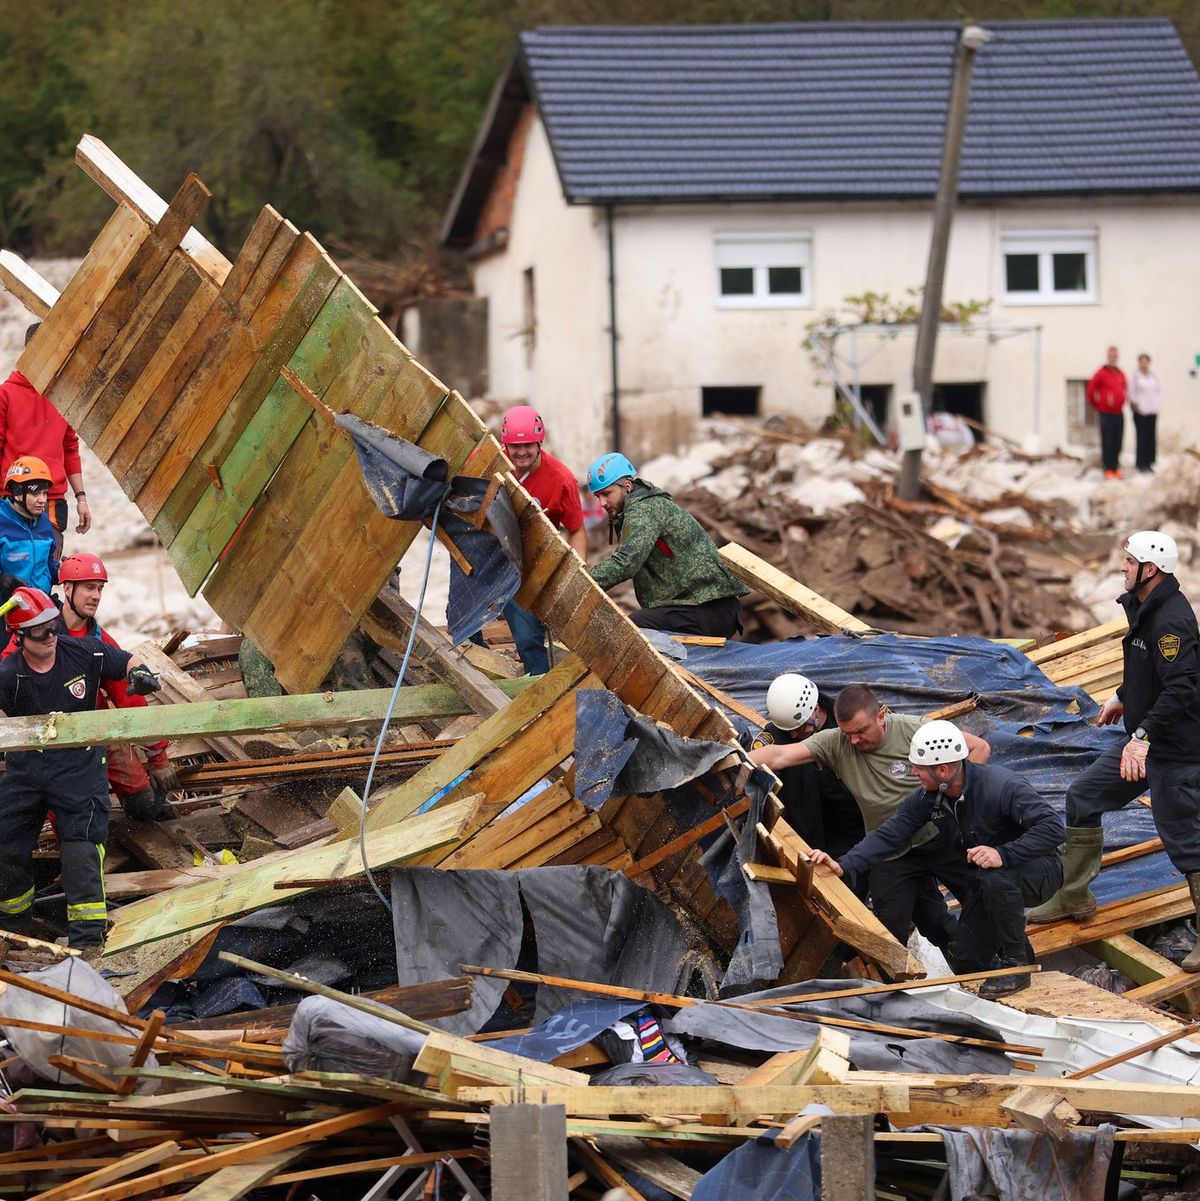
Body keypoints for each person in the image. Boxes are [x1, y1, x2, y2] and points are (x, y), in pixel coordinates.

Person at [1029, 531, 1200, 968]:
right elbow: (1149, 672)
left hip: (1176, 750)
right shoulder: (1145, 607)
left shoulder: (1172, 621)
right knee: (1083, 796)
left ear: (1150, 569)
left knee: (1186, 843)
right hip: (1145, 740)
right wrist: (1123, 695)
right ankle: (1073, 895)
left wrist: (1142, 737)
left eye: (1129, 562)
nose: (1122, 567)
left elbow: (1181, 687)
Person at [810, 721, 1065, 999]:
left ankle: (1018, 965)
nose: (913, 772)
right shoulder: (930, 798)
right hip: (990, 879)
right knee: (967, 961)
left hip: (1040, 871)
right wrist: (844, 864)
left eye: (919, 767)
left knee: (993, 877)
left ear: (942, 770)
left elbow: (1054, 828)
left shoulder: (1001, 785)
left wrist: (1003, 854)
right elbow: (890, 833)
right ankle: (1014, 972)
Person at [750, 684, 991, 956]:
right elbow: (779, 754)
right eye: (848, 733)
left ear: (880, 717)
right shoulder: (835, 742)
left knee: (984, 897)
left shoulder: (914, 730)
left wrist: (954, 800)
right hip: (889, 850)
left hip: (939, 836)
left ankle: (1005, 961)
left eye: (861, 731)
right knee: (888, 935)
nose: (854, 740)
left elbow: (978, 747)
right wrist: (732, 759)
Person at [0, 588, 161, 950]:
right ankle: (12, 929)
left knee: (80, 852)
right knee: (5, 844)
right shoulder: (9, 674)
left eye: (54, 625)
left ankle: (88, 944)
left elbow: (127, 660)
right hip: (26, 770)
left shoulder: (85, 652)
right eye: (40, 631)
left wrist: (141, 673)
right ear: (19, 636)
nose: (50, 636)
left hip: (79, 768)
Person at [59, 554, 179, 821]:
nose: (96, 596)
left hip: (97, 727)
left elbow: (128, 697)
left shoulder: (100, 640)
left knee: (145, 805)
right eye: (89, 587)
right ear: (67, 588)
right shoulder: (41, 632)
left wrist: (158, 757)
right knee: (73, 814)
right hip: (53, 736)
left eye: (100, 588)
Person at [586, 452, 747, 636]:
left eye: (606, 494)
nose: (602, 503)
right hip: (696, 606)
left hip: (710, 607)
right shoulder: (639, 507)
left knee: (634, 628)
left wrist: (583, 583)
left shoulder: (644, 509)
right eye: (598, 496)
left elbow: (626, 562)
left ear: (627, 486)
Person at [500, 406, 587, 674]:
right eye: (515, 446)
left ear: (539, 442)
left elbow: (576, 530)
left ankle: (537, 683)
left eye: (527, 445)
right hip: (492, 550)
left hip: (532, 562)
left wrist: (575, 575)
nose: (521, 452)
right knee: (464, 615)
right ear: (505, 444)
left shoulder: (561, 479)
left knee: (528, 635)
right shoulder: (493, 463)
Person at [748, 673, 865, 859]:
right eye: (789, 731)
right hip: (806, 832)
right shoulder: (777, 733)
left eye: (800, 728)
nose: (793, 736)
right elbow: (757, 760)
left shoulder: (849, 720)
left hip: (850, 826)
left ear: (816, 710)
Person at [0, 323, 91, 551]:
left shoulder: (63, 395)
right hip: (12, 499)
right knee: (12, 566)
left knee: (48, 566)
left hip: (52, 499)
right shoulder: (5, 394)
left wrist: (81, 498)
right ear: (29, 352)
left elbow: (70, 447)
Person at [0, 456, 59, 593]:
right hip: (8, 603)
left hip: (41, 601)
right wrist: (3, 581)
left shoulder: (45, 523)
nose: (42, 500)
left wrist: (60, 570)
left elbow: (48, 562)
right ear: (17, 494)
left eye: (45, 493)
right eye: (35, 494)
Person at [1086, 345, 1128, 479]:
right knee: (1108, 441)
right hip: (1106, 413)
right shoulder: (1101, 373)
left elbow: (1124, 389)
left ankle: (1116, 467)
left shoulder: (1120, 373)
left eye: (1115, 355)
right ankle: (1108, 468)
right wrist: (1097, 405)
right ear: (1107, 356)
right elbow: (1090, 390)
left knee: (1118, 441)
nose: (1113, 357)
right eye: (1111, 355)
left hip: (1118, 412)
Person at [1128, 353, 1161, 474]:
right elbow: (1131, 391)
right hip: (1140, 412)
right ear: (1139, 363)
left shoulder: (1153, 376)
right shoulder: (1135, 377)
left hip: (1152, 411)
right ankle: (1141, 463)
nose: (1144, 364)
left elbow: (1158, 391)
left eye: (1146, 361)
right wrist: (1135, 402)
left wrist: (1157, 404)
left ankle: (1149, 462)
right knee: (1141, 437)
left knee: (1151, 438)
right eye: (1142, 362)